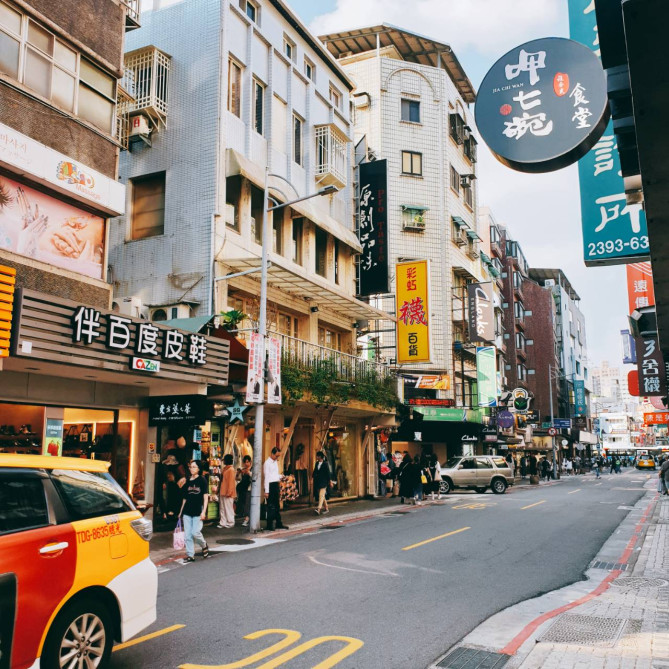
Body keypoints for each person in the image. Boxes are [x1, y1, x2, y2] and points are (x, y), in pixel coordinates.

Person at [178, 461, 210, 563]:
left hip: (198, 511)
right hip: (187, 511)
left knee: (195, 532)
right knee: (188, 535)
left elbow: (205, 497)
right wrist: (180, 512)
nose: (191, 469)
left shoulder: (202, 480)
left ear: (198, 469)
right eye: (191, 467)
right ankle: (190, 555)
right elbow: (185, 498)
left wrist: (204, 512)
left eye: (194, 467)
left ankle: (204, 544)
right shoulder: (187, 481)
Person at [264, 447, 288, 530]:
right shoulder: (267, 463)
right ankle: (269, 525)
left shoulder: (275, 462)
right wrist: (266, 491)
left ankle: (278, 523)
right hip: (270, 485)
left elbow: (274, 474)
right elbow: (267, 477)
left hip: (275, 484)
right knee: (270, 505)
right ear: (272, 454)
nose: (277, 458)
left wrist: (281, 476)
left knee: (277, 505)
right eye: (276, 456)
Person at [217, 453, 236, 529]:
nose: (223, 461)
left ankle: (230, 522)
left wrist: (229, 492)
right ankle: (223, 522)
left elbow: (231, 482)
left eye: (224, 460)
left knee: (228, 508)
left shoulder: (231, 470)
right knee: (222, 508)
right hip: (223, 491)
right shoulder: (225, 469)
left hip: (228, 492)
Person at [312, 450, 332, 515]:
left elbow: (328, 473)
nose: (316, 457)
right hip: (318, 482)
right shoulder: (317, 463)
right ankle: (326, 508)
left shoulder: (325, 464)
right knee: (322, 496)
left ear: (320, 457)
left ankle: (318, 509)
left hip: (324, 482)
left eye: (317, 456)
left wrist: (330, 481)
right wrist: (312, 477)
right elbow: (315, 471)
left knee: (321, 495)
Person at [236, 454, 252, 527]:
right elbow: (238, 479)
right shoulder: (243, 470)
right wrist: (238, 473)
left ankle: (246, 519)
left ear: (250, 462)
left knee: (247, 505)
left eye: (247, 462)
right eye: (245, 462)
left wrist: (249, 473)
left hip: (249, 489)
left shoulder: (252, 470)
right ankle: (246, 518)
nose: (246, 464)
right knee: (243, 504)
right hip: (243, 490)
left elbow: (254, 478)